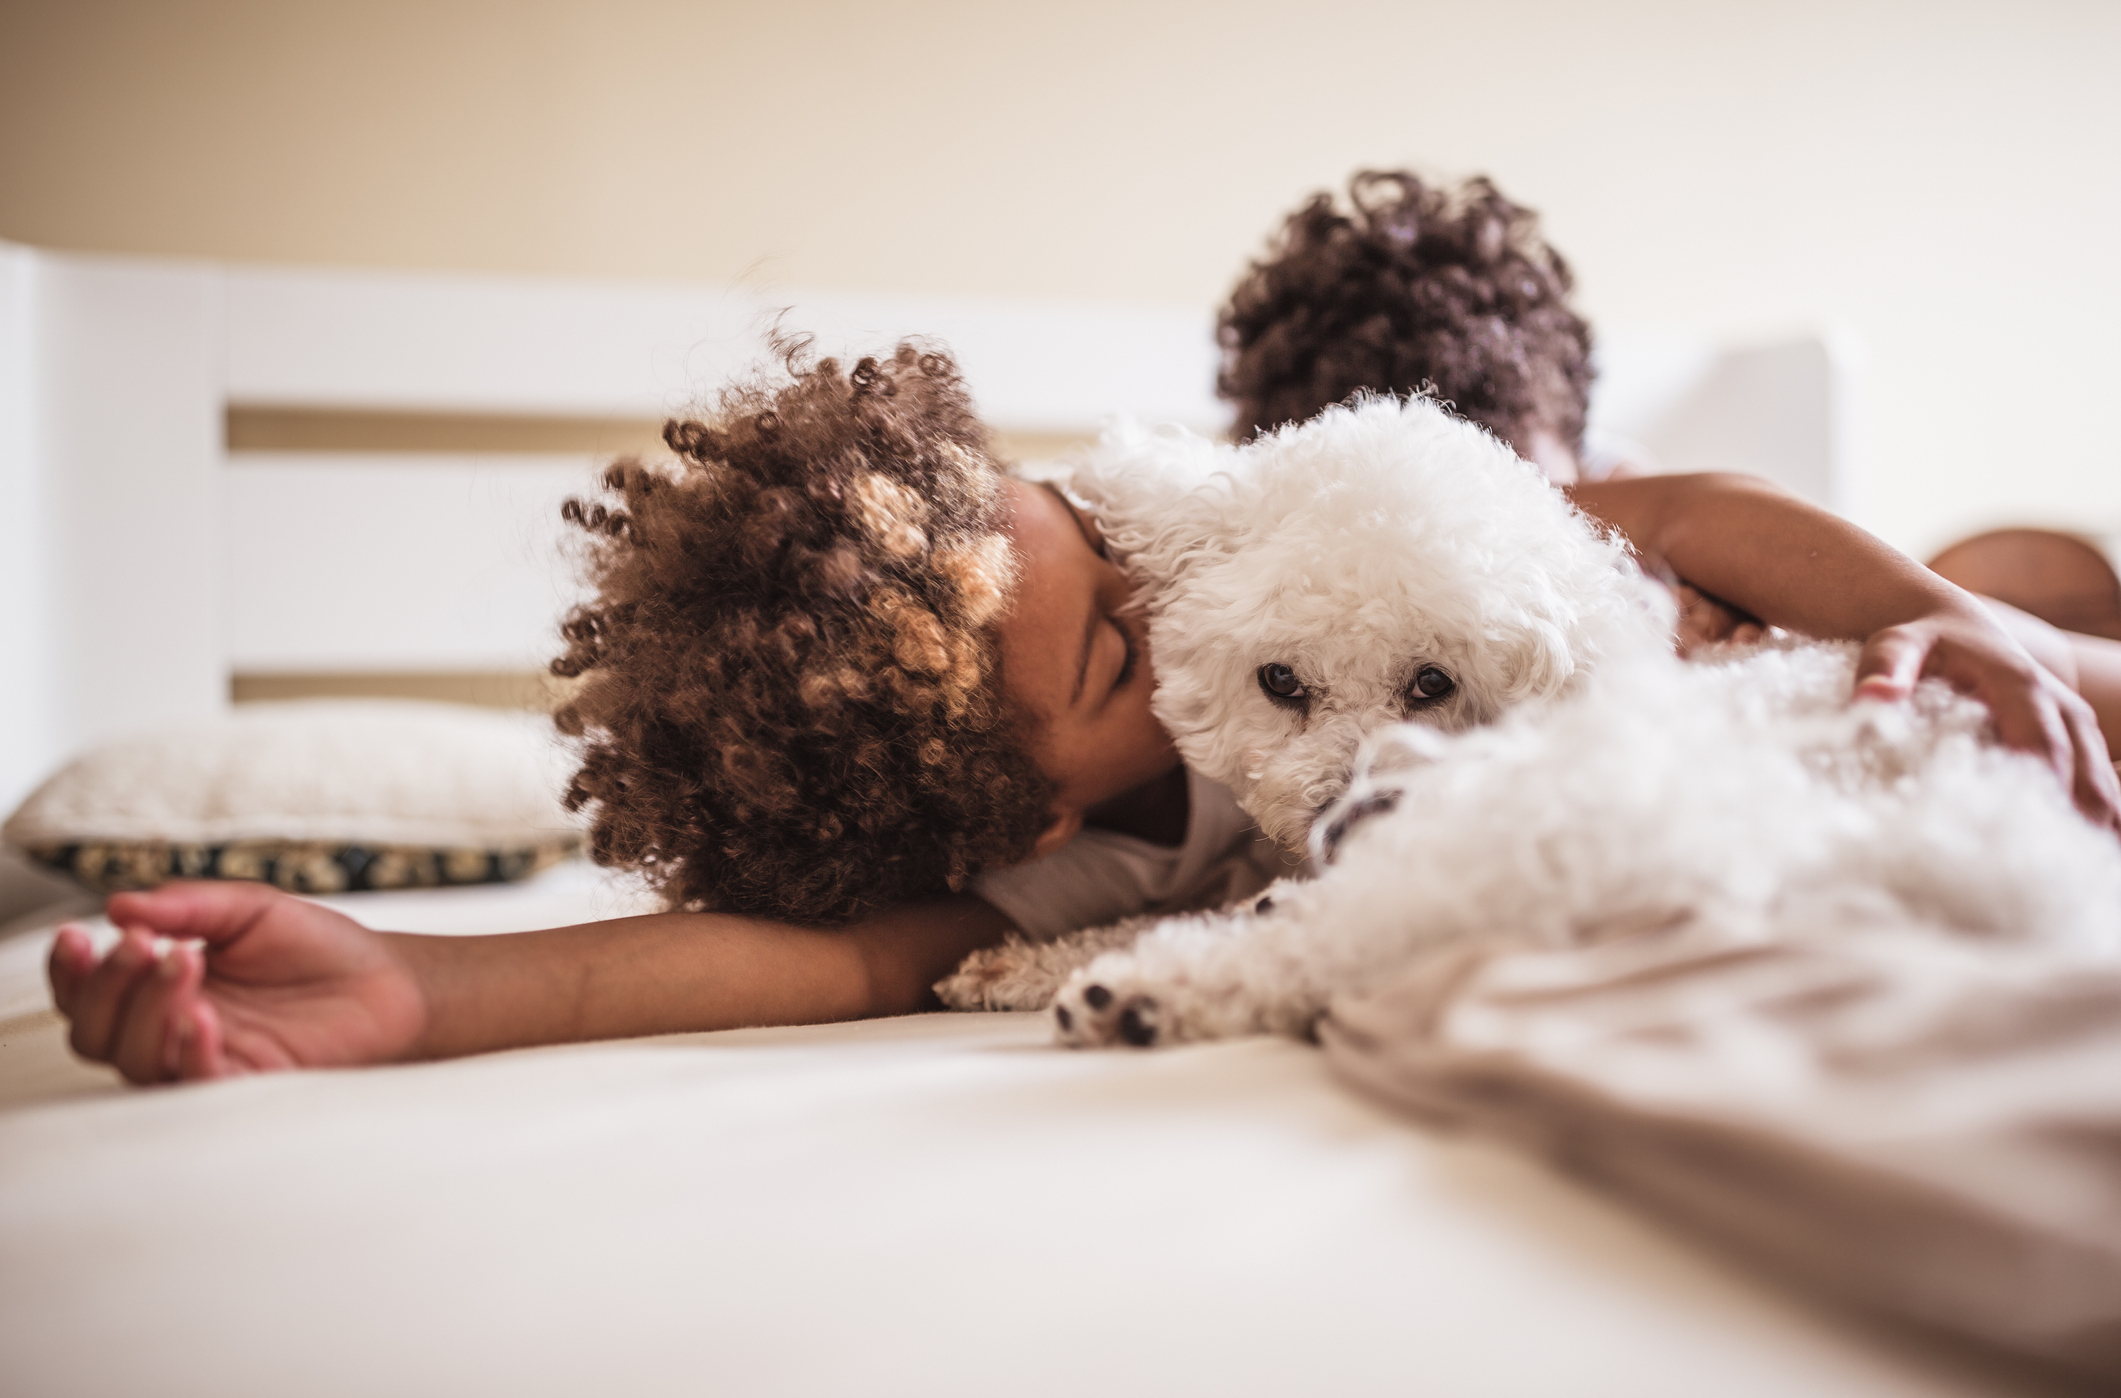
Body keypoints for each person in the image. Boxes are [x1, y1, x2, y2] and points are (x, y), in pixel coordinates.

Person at [46, 341, 2121, 1083]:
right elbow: (805, 960)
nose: (1163, 591)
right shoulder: (1051, 876)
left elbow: (1678, 507)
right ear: (996, 817)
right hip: (1718, 787)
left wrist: (1955, 623)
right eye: (1115, 654)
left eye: (1090, 536)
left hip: (1765, 642)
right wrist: (415, 983)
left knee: (2059, 650)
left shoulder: (1256, 517)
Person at [1217, 169, 2121, 747]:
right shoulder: (1252, 634)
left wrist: (1938, 616)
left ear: (1608, 486)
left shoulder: (1690, 581)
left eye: (1535, 513)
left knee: (2011, 662)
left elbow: (1696, 511)